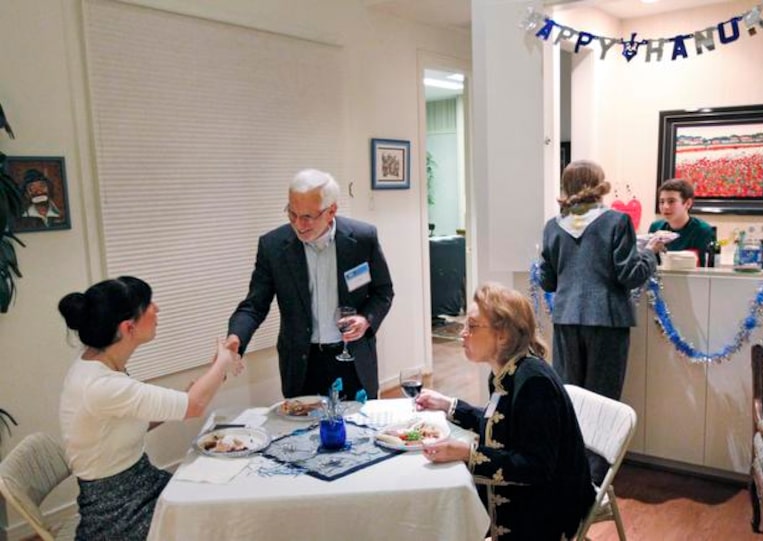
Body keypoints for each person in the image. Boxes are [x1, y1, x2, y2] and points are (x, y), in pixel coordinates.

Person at [58, 276, 240, 541]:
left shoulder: (99, 366)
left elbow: (143, 413)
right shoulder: (100, 385)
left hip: (138, 483)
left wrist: (207, 382)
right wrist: (221, 362)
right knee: (214, 519)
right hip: (116, 511)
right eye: (149, 305)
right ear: (128, 327)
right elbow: (194, 406)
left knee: (216, 499)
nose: (157, 309)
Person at [415, 283, 595, 541]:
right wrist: (448, 405)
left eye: (472, 326)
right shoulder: (506, 371)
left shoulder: (534, 382)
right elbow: (502, 426)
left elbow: (536, 467)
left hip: (546, 513)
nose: (462, 334)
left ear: (503, 335)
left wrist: (469, 453)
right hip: (526, 499)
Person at [539, 160, 661, 484]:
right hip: (606, 319)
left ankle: (568, 470)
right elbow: (630, 275)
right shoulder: (617, 222)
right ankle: (594, 480)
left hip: (566, 318)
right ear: (598, 183)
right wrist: (651, 252)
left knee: (570, 398)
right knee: (603, 402)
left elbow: (548, 282)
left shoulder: (553, 226)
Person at [227, 168, 394, 400]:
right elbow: (254, 305)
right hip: (303, 364)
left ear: (331, 211)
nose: (298, 224)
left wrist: (366, 319)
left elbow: (383, 292)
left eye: (307, 217)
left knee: (361, 431)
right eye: (292, 214)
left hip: (352, 358)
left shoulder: (363, 238)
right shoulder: (273, 246)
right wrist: (236, 338)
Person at [649, 178, 715, 267]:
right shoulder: (655, 227)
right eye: (661, 202)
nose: (665, 206)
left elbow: (705, 269)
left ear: (688, 203)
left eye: (671, 201)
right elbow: (649, 264)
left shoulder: (703, 231)